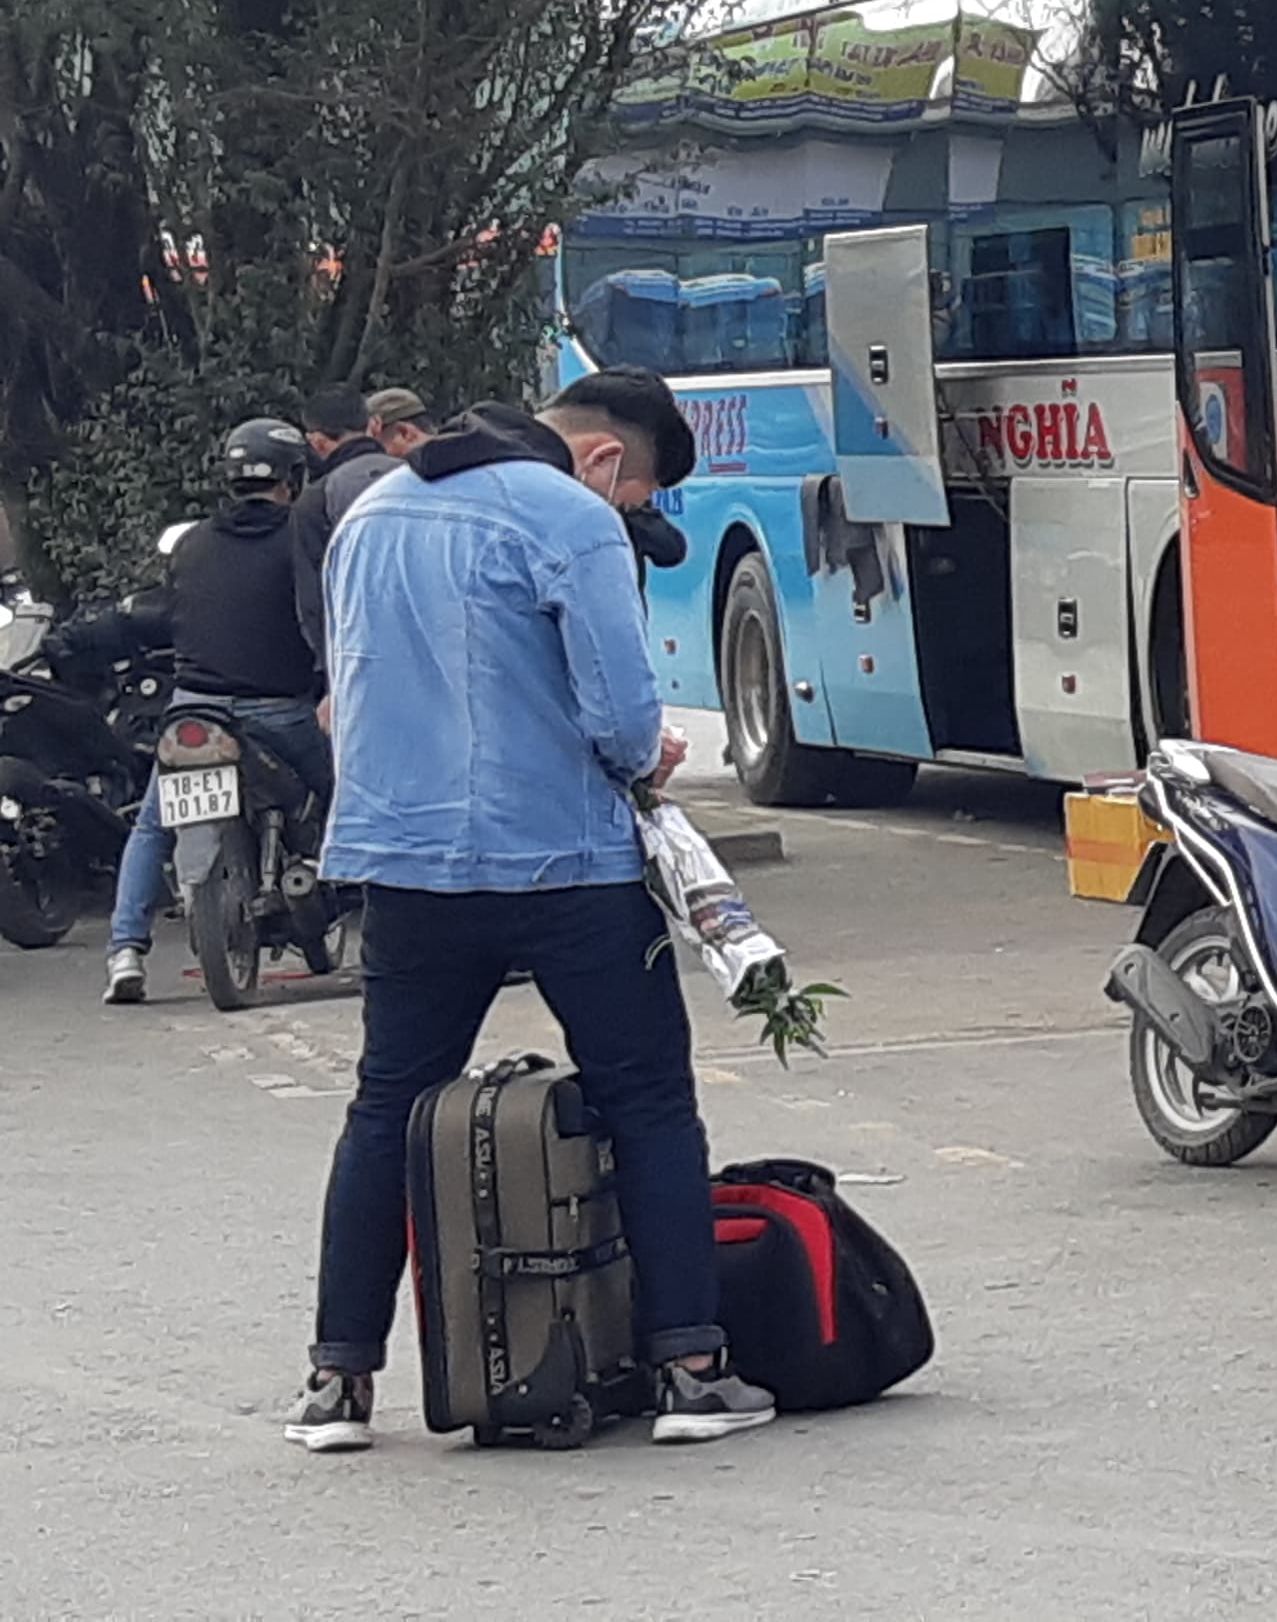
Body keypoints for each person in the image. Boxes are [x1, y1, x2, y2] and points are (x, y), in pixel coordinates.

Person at [285, 369, 778, 1452]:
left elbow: (348, 684)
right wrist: (647, 753)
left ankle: (337, 1381)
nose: (630, 514)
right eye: (637, 494)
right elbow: (616, 712)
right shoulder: (568, 515)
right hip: (565, 862)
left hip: (404, 864)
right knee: (647, 1095)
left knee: (387, 1107)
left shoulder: (370, 510)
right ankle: (690, 1368)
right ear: (605, 461)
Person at [100, 420, 337, 1004]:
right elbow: (319, 615)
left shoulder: (191, 543)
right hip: (281, 711)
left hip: (194, 710)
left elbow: (174, 612)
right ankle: (381, 924)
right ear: (293, 477)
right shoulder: (302, 537)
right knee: (351, 794)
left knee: (153, 824)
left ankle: (125, 951)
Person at [291, 387, 430, 660]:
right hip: (429, 645)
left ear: (316, 442)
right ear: (374, 424)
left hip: (357, 655)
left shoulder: (316, 499)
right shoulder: (423, 477)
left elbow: (313, 604)